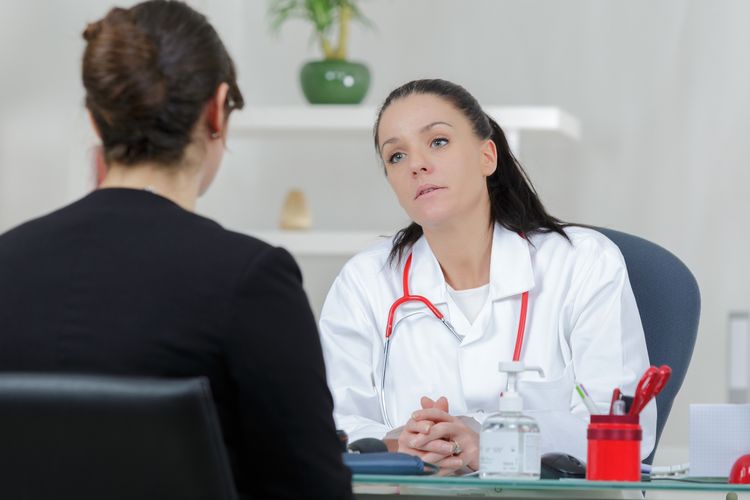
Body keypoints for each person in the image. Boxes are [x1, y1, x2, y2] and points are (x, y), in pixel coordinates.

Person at [0, 2, 352, 499]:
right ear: (216, 109)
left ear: (96, 122)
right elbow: (314, 489)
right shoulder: (252, 279)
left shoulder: (6, 263)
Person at [319, 79, 656, 474]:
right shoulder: (365, 281)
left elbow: (624, 426)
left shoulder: (582, 262)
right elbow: (331, 423)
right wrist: (399, 445)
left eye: (438, 142)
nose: (416, 164)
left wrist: (493, 443)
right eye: (395, 156)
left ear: (487, 156)